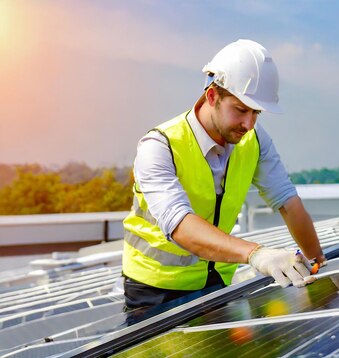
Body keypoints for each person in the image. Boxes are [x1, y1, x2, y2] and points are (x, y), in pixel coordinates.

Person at [122, 39, 325, 310]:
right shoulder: (159, 146)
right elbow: (180, 225)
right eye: (241, 110)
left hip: (216, 280)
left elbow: (288, 202)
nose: (249, 123)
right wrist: (256, 254)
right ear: (212, 97)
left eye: (257, 112)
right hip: (155, 290)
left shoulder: (254, 140)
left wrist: (317, 264)